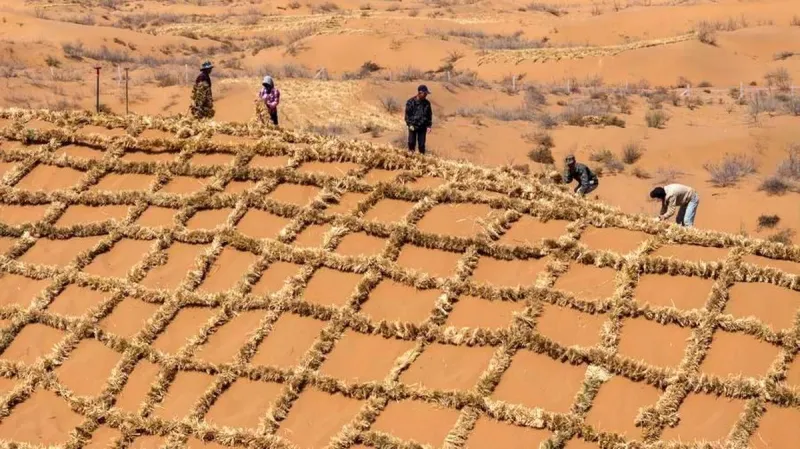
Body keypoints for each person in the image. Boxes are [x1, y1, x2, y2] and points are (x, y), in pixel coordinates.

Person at [404, 84, 433, 155]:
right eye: (425, 93)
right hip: (413, 126)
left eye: (426, 94)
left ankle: (421, 158)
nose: (426, 95)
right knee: (411, 143)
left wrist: (429, 126)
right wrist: (409, 124)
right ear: (420, 92)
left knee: (421, 145)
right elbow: (407, 115)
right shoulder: (410, 102)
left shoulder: (427, 103)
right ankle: (411, 157)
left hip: (422, 127)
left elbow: (429, 115)